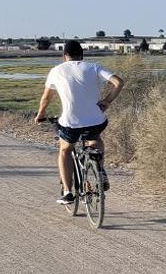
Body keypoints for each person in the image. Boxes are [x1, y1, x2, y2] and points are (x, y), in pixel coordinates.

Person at [34, 40, 124, 205]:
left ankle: (68, 192)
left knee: (65, 151)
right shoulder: (93, 67)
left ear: (64, 56)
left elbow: (46, 97)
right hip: (96, 120)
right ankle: (100, 168)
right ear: (82, 55)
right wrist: (107, 101)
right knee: (95, 139)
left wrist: (40, 114)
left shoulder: (56, 71)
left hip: (70, 123)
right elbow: (119, 82)